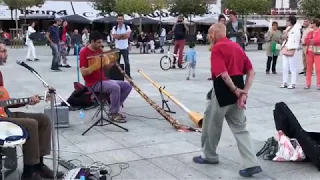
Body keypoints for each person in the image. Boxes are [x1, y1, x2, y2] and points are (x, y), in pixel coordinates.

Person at [193, 23, 262, 178]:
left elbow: (223, 74)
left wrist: (235, 90)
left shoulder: (217, 48)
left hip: (223, 91)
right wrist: (243, 93)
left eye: (210, 33)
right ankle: (251, 163)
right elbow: (251, 72)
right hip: (238, 88)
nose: (208, 36)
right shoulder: (237, 47)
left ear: (216, 33)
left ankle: (209, 156)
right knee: (240, 128)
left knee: (212, 126)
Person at [0, 71, 64, 180]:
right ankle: (28, 172)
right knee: (31, 124)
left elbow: (3, 101)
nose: (6, 54)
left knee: (44, 119)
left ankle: (39, 165)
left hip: (5, 113)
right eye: (3, 52)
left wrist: (28, 101)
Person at [79, 32, 132, 122]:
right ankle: (113, 113)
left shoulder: (99, 51)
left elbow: (106, 68)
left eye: (101, 42)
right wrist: (94, 66)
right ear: (92, 41)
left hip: (103, 80)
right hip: (93, 83)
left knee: (127, 86)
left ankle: (113, 108)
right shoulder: (84, 52)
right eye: (98, 42)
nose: (101, 45)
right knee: (115, 87)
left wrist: (111, 61)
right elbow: (83, 72)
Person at [280, 16, 302, 89]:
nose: (286, 22)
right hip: (286, 47)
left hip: (292, 48)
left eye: (287, 21)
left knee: (292, 67)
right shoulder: (287, 28)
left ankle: (293, 83)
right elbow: (283, 38)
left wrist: (289, 35)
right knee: (285, 67)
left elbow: (297, 39)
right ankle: (285, 82)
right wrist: (285, 34)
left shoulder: (296, 29)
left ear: (291, 21)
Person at [208, 14, 227, 81]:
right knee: (214, 60)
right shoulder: (215, 28)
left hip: (224, 46)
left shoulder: (225, 28)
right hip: (216, 45)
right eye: (222, 20)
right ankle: (213, 74)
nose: (223, 22)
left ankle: (222, 74)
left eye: (224, 21)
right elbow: (212, 37)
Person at [304, 18, 320, 89]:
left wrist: (312, 41)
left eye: (312, 23)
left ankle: (319, 83)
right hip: (309, 51)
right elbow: (306, 40)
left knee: (318, 69)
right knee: (309, 68)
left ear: (315, 24)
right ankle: (308, 83)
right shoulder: (310, 32)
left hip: (317, 52)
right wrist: (311, 40)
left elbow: (318, 40)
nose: (311, 24)